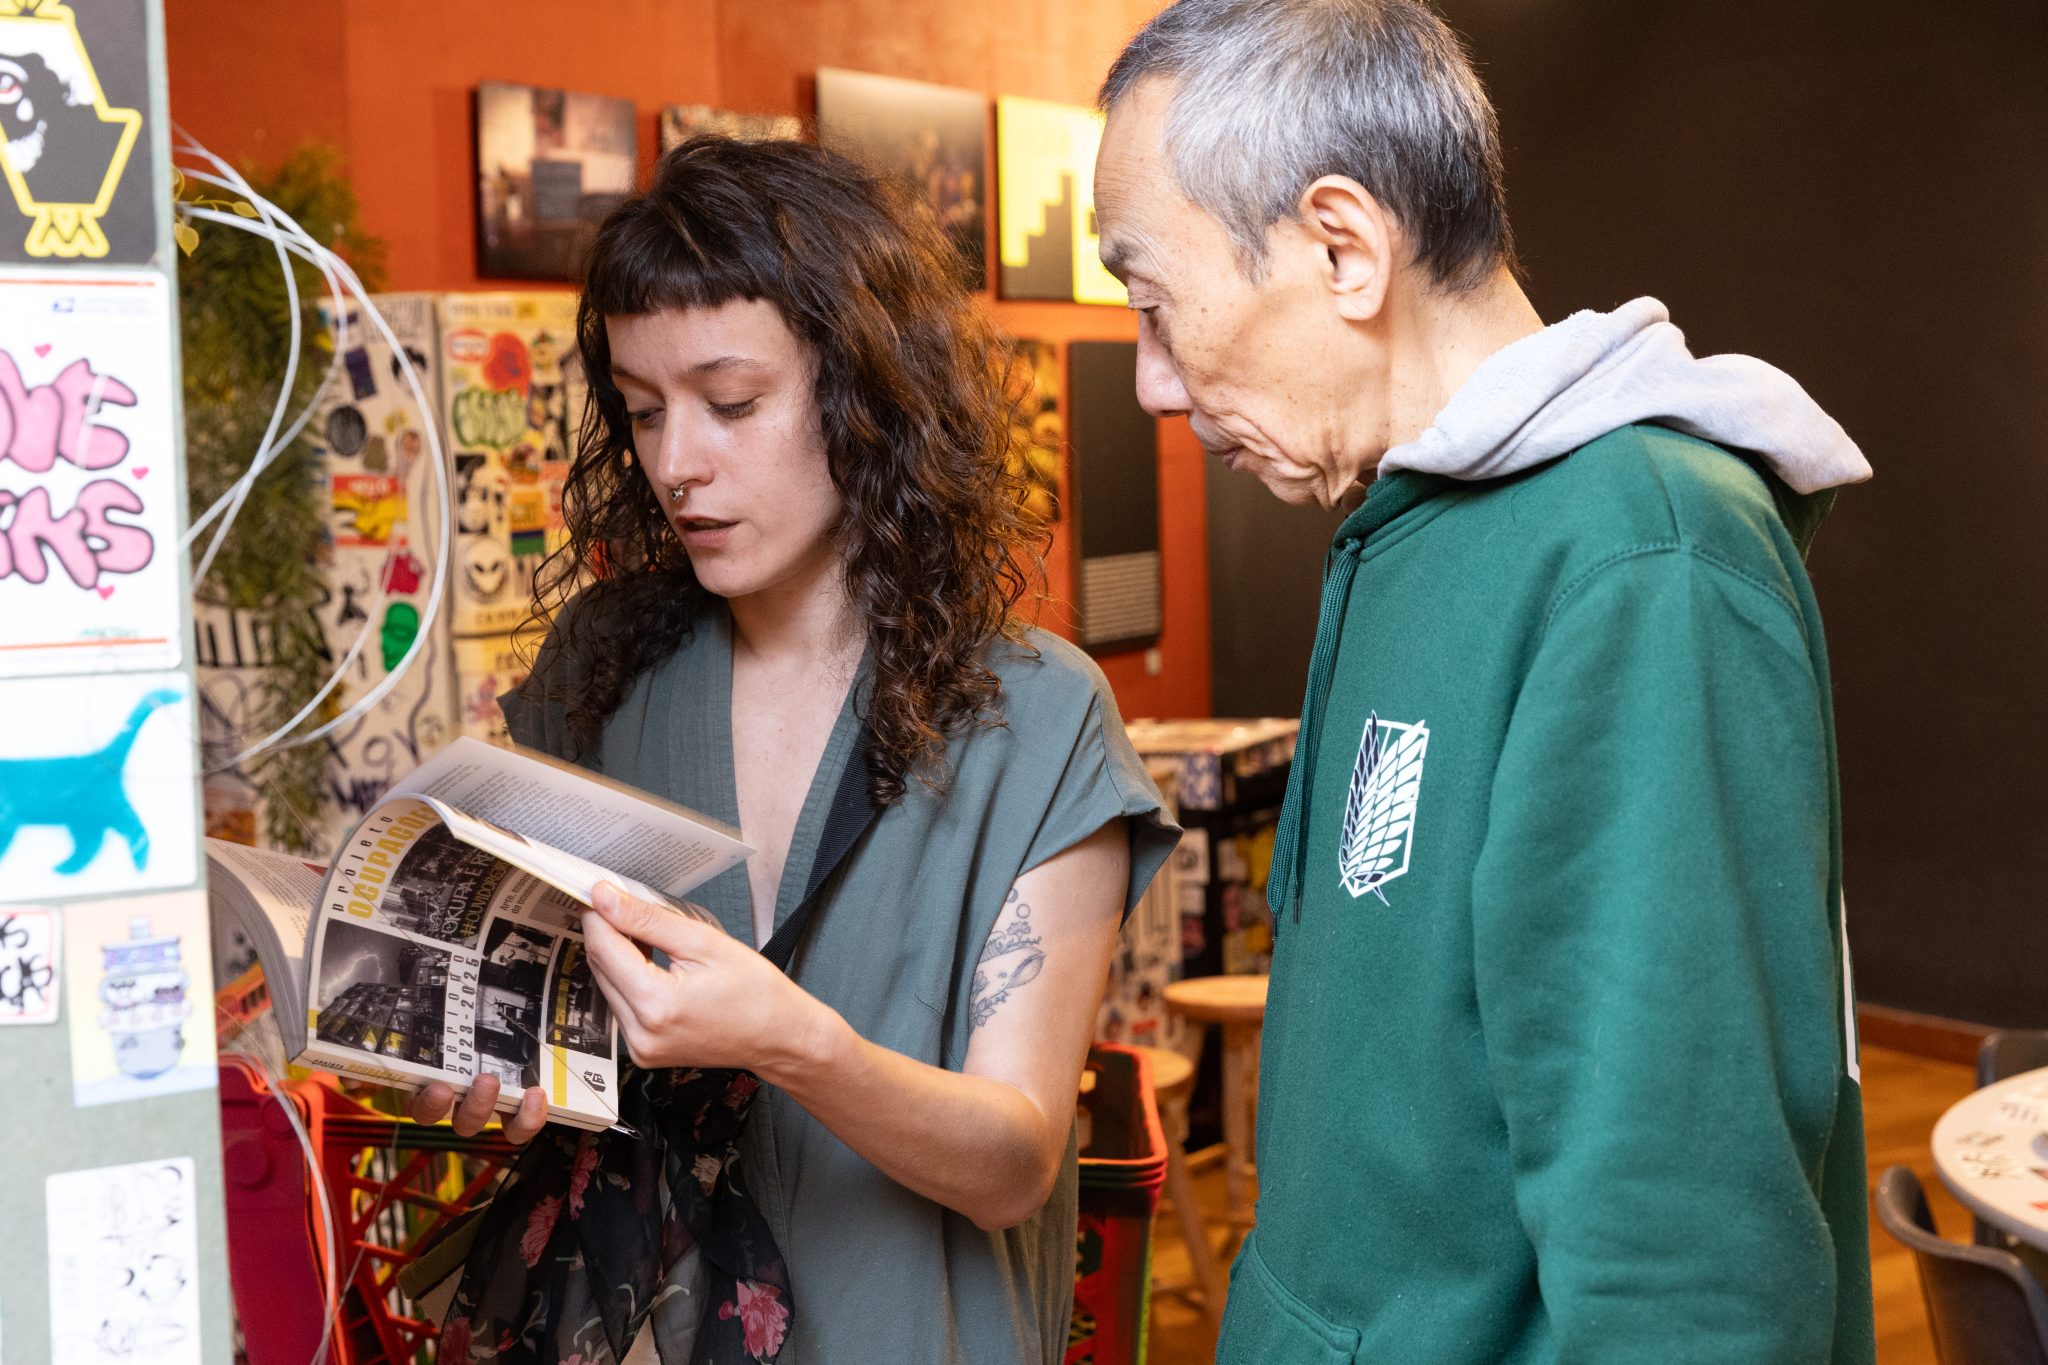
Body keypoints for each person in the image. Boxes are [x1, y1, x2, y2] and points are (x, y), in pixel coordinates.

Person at [1093, 2, 1877, 1361]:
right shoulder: (1408, 531)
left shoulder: (1647, 561)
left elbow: (1686, 1248)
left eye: (1154, 306)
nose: (1153, 385)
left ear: (1343, 248)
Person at [410, 137, 1177, 1365]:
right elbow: (572, 1040)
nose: (676, 463)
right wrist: (501, 1075)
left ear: (864, 395)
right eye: (643, 410)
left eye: (731, 404)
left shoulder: (1037, 719)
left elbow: (1015, 1163)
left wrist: (787, 1040)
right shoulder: (604, 671)